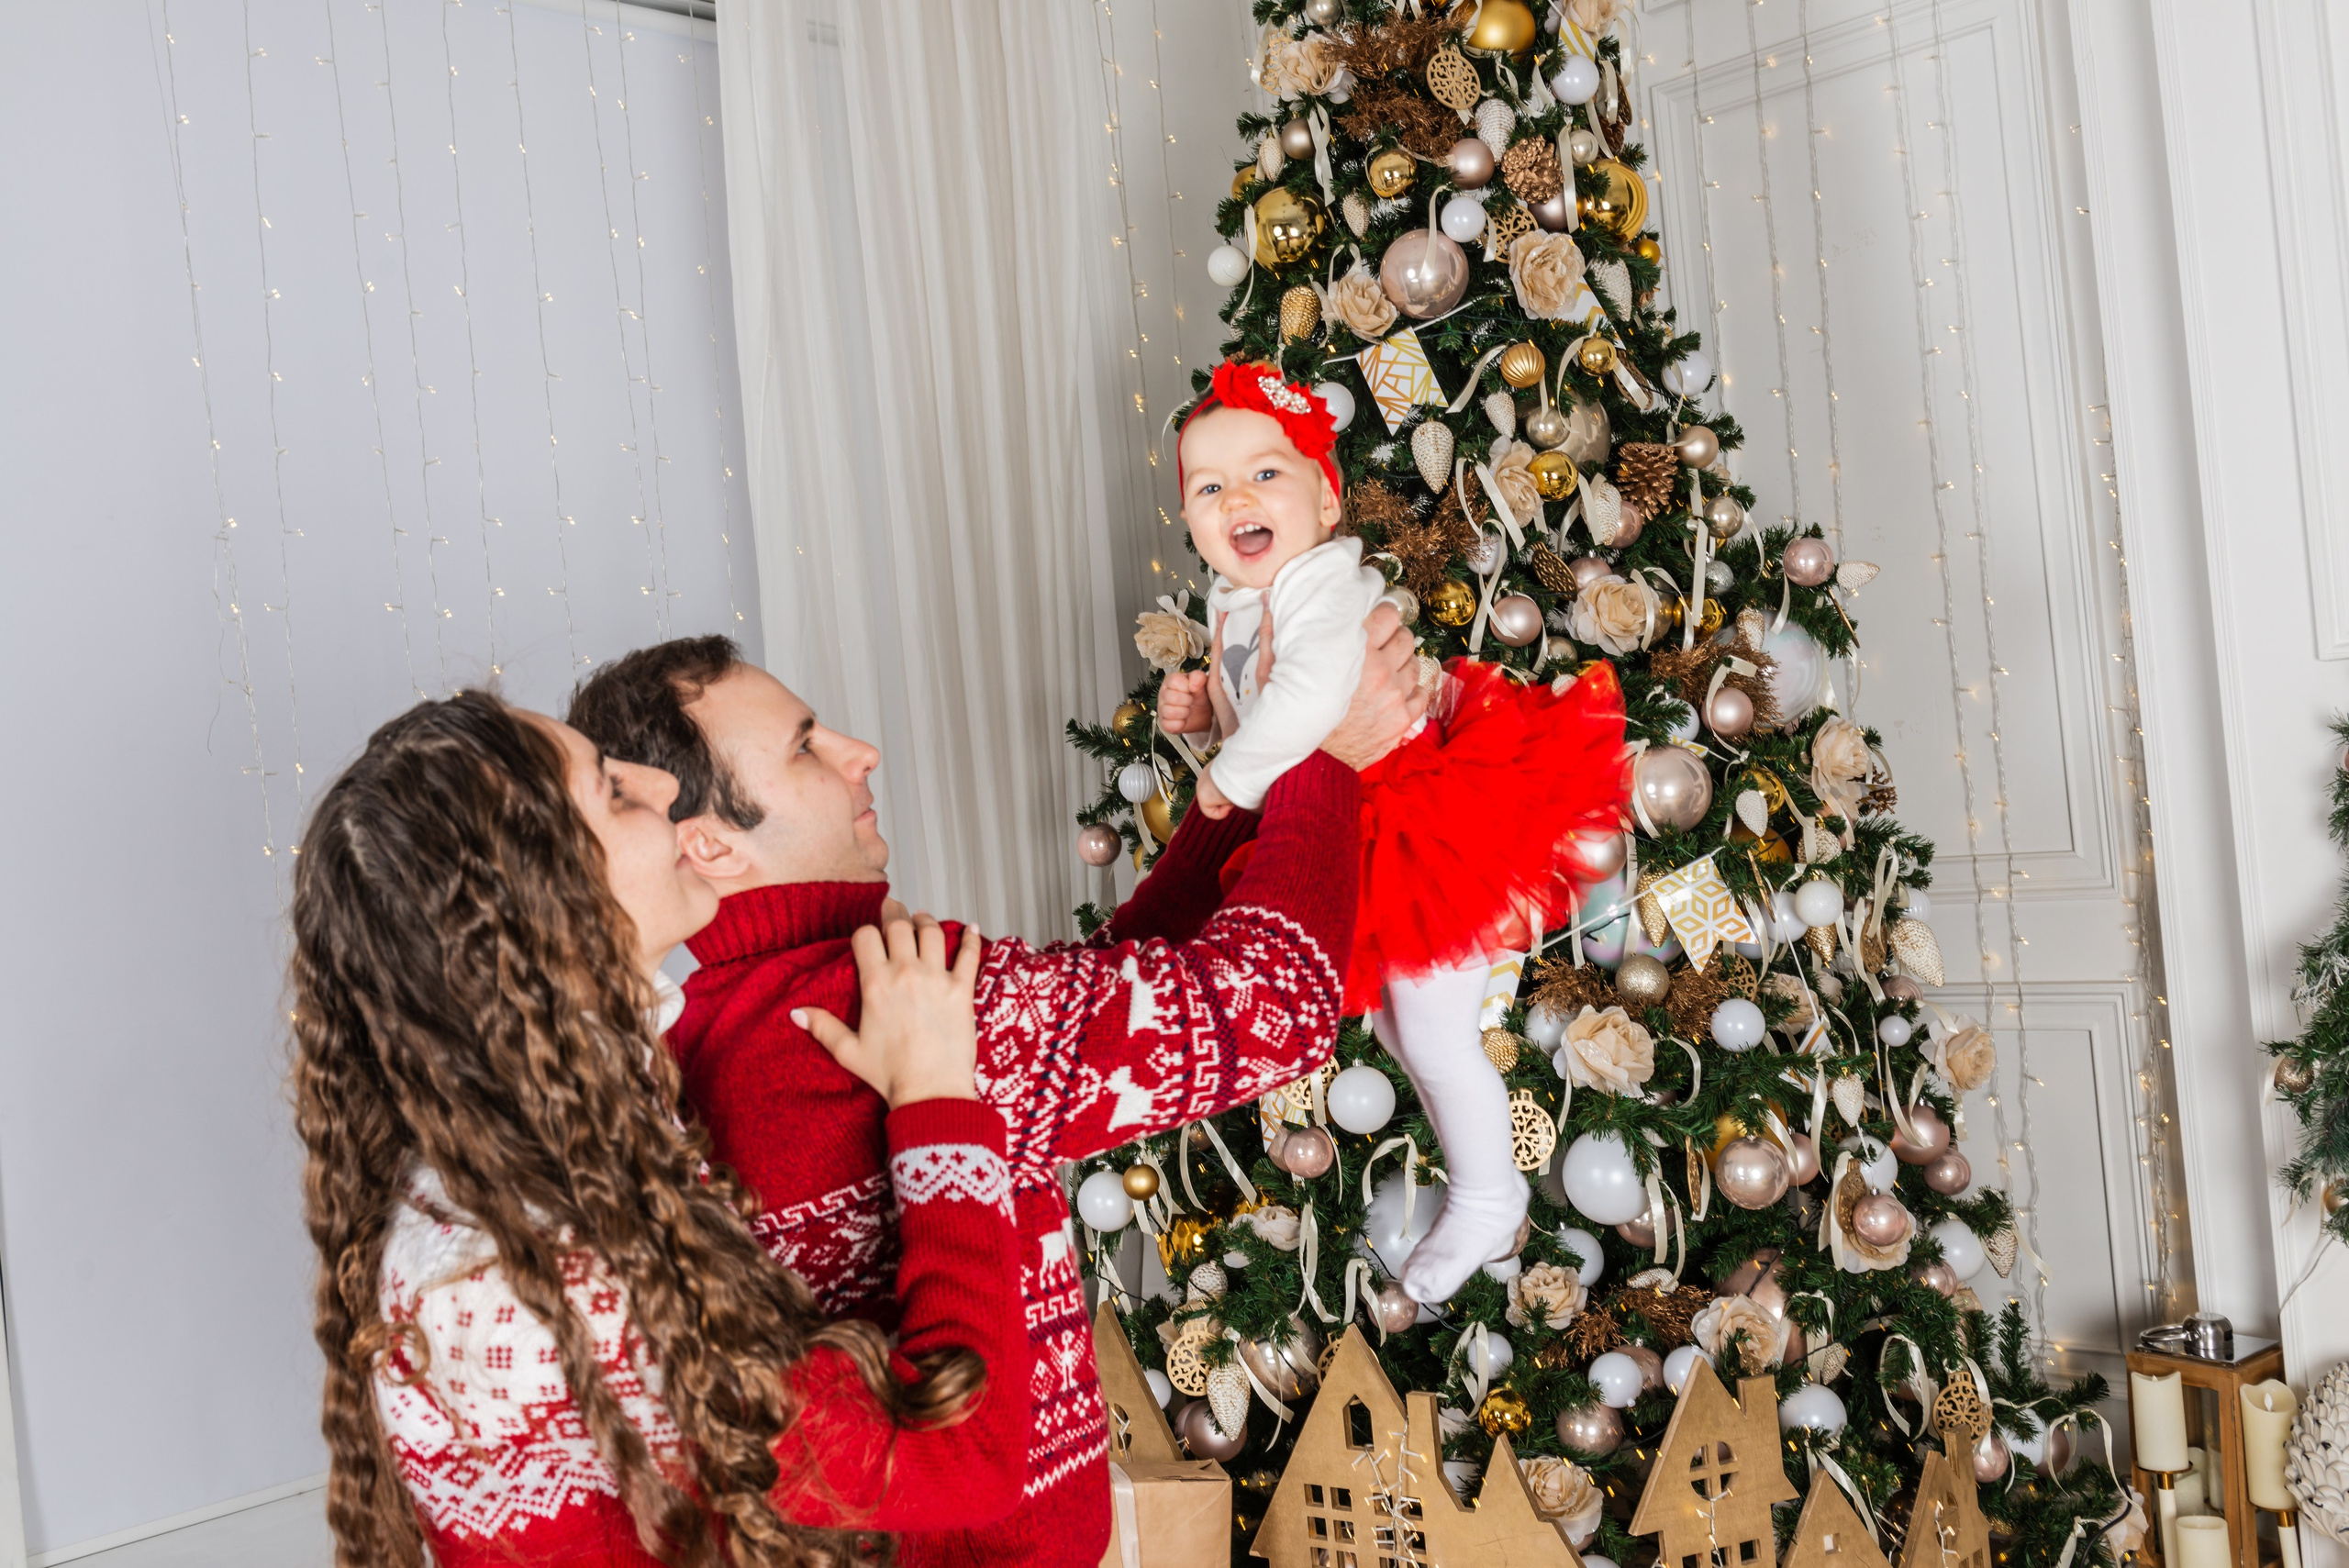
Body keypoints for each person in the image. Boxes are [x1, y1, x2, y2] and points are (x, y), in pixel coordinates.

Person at [567, 612, 1424, 1568]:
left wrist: (1244, 782)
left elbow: (1101, 994)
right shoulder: (881, 989)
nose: (861, 752)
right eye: (806, 747)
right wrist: (1325, 753)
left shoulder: (713, 1021)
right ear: (713, 844)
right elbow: (1278, 1000)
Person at [290, 690, 1027, 1568]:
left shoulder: (550, 1133)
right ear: (545, 905)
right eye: (610, 790)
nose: (661, 785)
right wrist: (937, 1096)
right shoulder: (546, 1260)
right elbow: (960, 1459)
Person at [1162, 358, 1629, 1304]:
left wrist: (1226, 774)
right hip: (1356, 824)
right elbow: (1258, 707)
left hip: (1420, 820)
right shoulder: (1233, 604)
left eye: (1264, 474)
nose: (1235, 498)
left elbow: (1302, 703)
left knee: (1433, 1029)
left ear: (1327, 502)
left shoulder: (1320, 585)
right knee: (1401, 1029)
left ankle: (1490, 1193)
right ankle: (1481, 1184)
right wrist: (1203, 714)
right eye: (1208, 488)